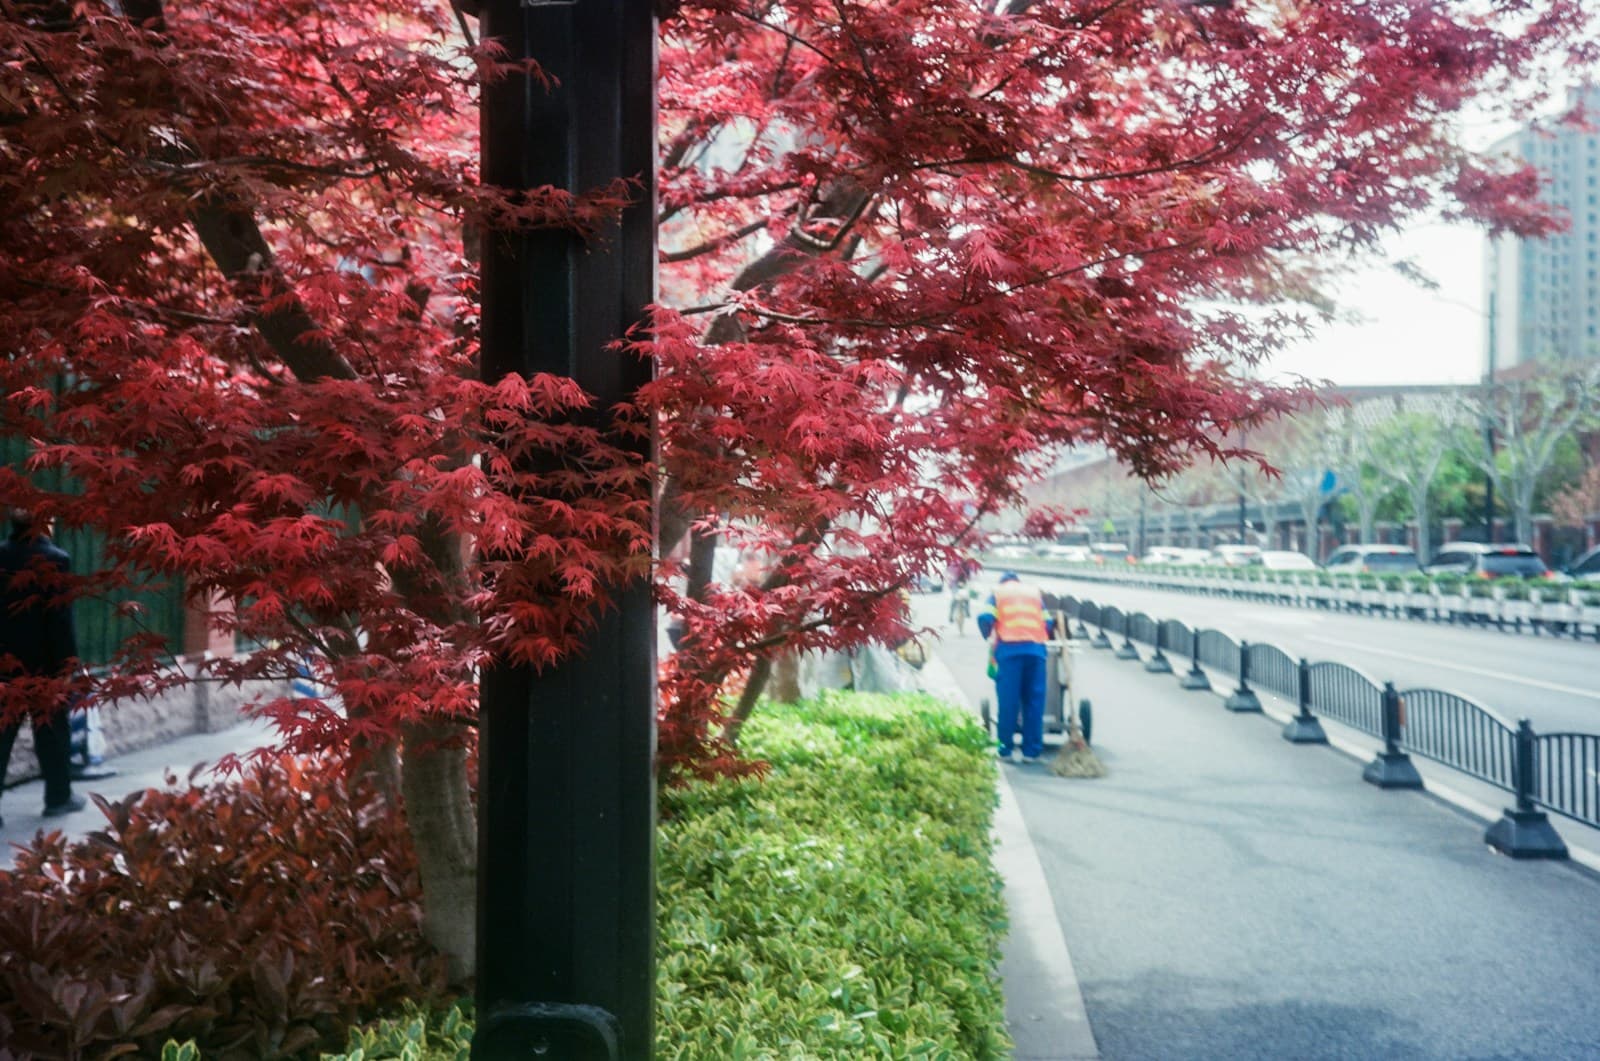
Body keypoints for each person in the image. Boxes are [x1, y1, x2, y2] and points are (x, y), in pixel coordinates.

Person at [0, 509, 86, 827]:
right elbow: (60, 620)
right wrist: (67, 665)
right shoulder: (56, 559)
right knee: (51, 733)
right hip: (45, 666)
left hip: (4, 667)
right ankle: (58, 797)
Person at [977, 571, 1054, 764]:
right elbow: (1049, 622)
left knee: (1009, 702)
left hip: (1010, 651)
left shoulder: (998, 592)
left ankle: (1006, 750)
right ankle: (1031, 752)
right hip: (1036, 652)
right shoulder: (1033, 593)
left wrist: (988, 634)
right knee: (1034, 702)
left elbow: (985, 617)